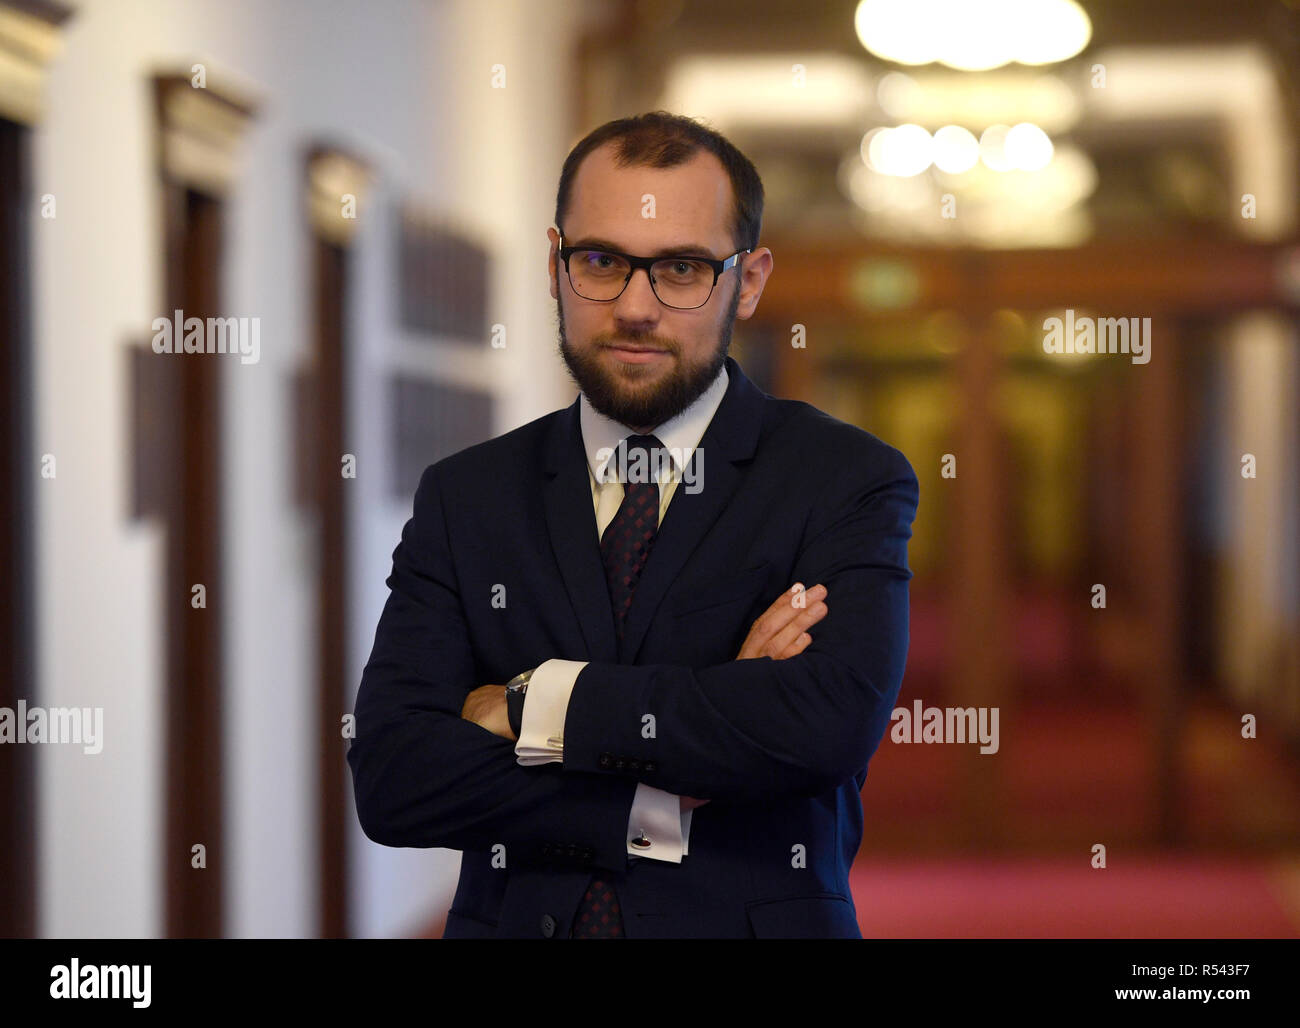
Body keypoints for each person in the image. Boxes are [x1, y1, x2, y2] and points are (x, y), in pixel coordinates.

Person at [347, 111, 918, 938]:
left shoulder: (842, 480)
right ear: (555, 265)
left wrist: (528, 703)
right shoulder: (466, 495)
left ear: (748, 281)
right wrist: (662, 789)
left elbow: (821, 727)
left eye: (682, 269)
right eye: (603, 262)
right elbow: (396, 779)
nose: (637, 307)